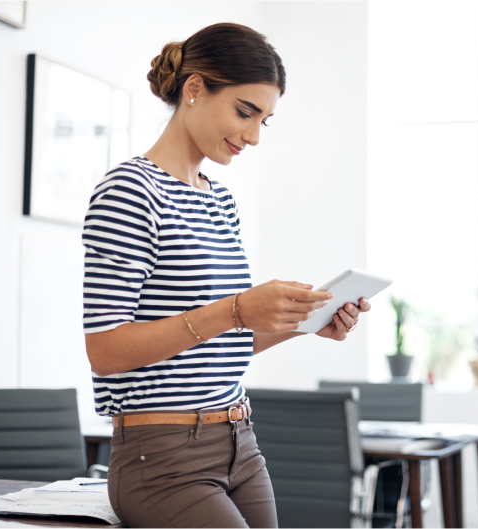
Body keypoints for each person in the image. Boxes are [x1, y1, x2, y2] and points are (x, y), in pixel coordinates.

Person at [82, 22, 371, 529]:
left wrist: (300, 324)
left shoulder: (219, 202)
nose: (254, 136)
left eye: (265, 120)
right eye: (245, 112)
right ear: (194, 89)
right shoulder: (130, 191)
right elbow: (106, 350)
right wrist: (236, 309)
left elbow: (214, 344)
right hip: (162, 458)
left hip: (239, 442)